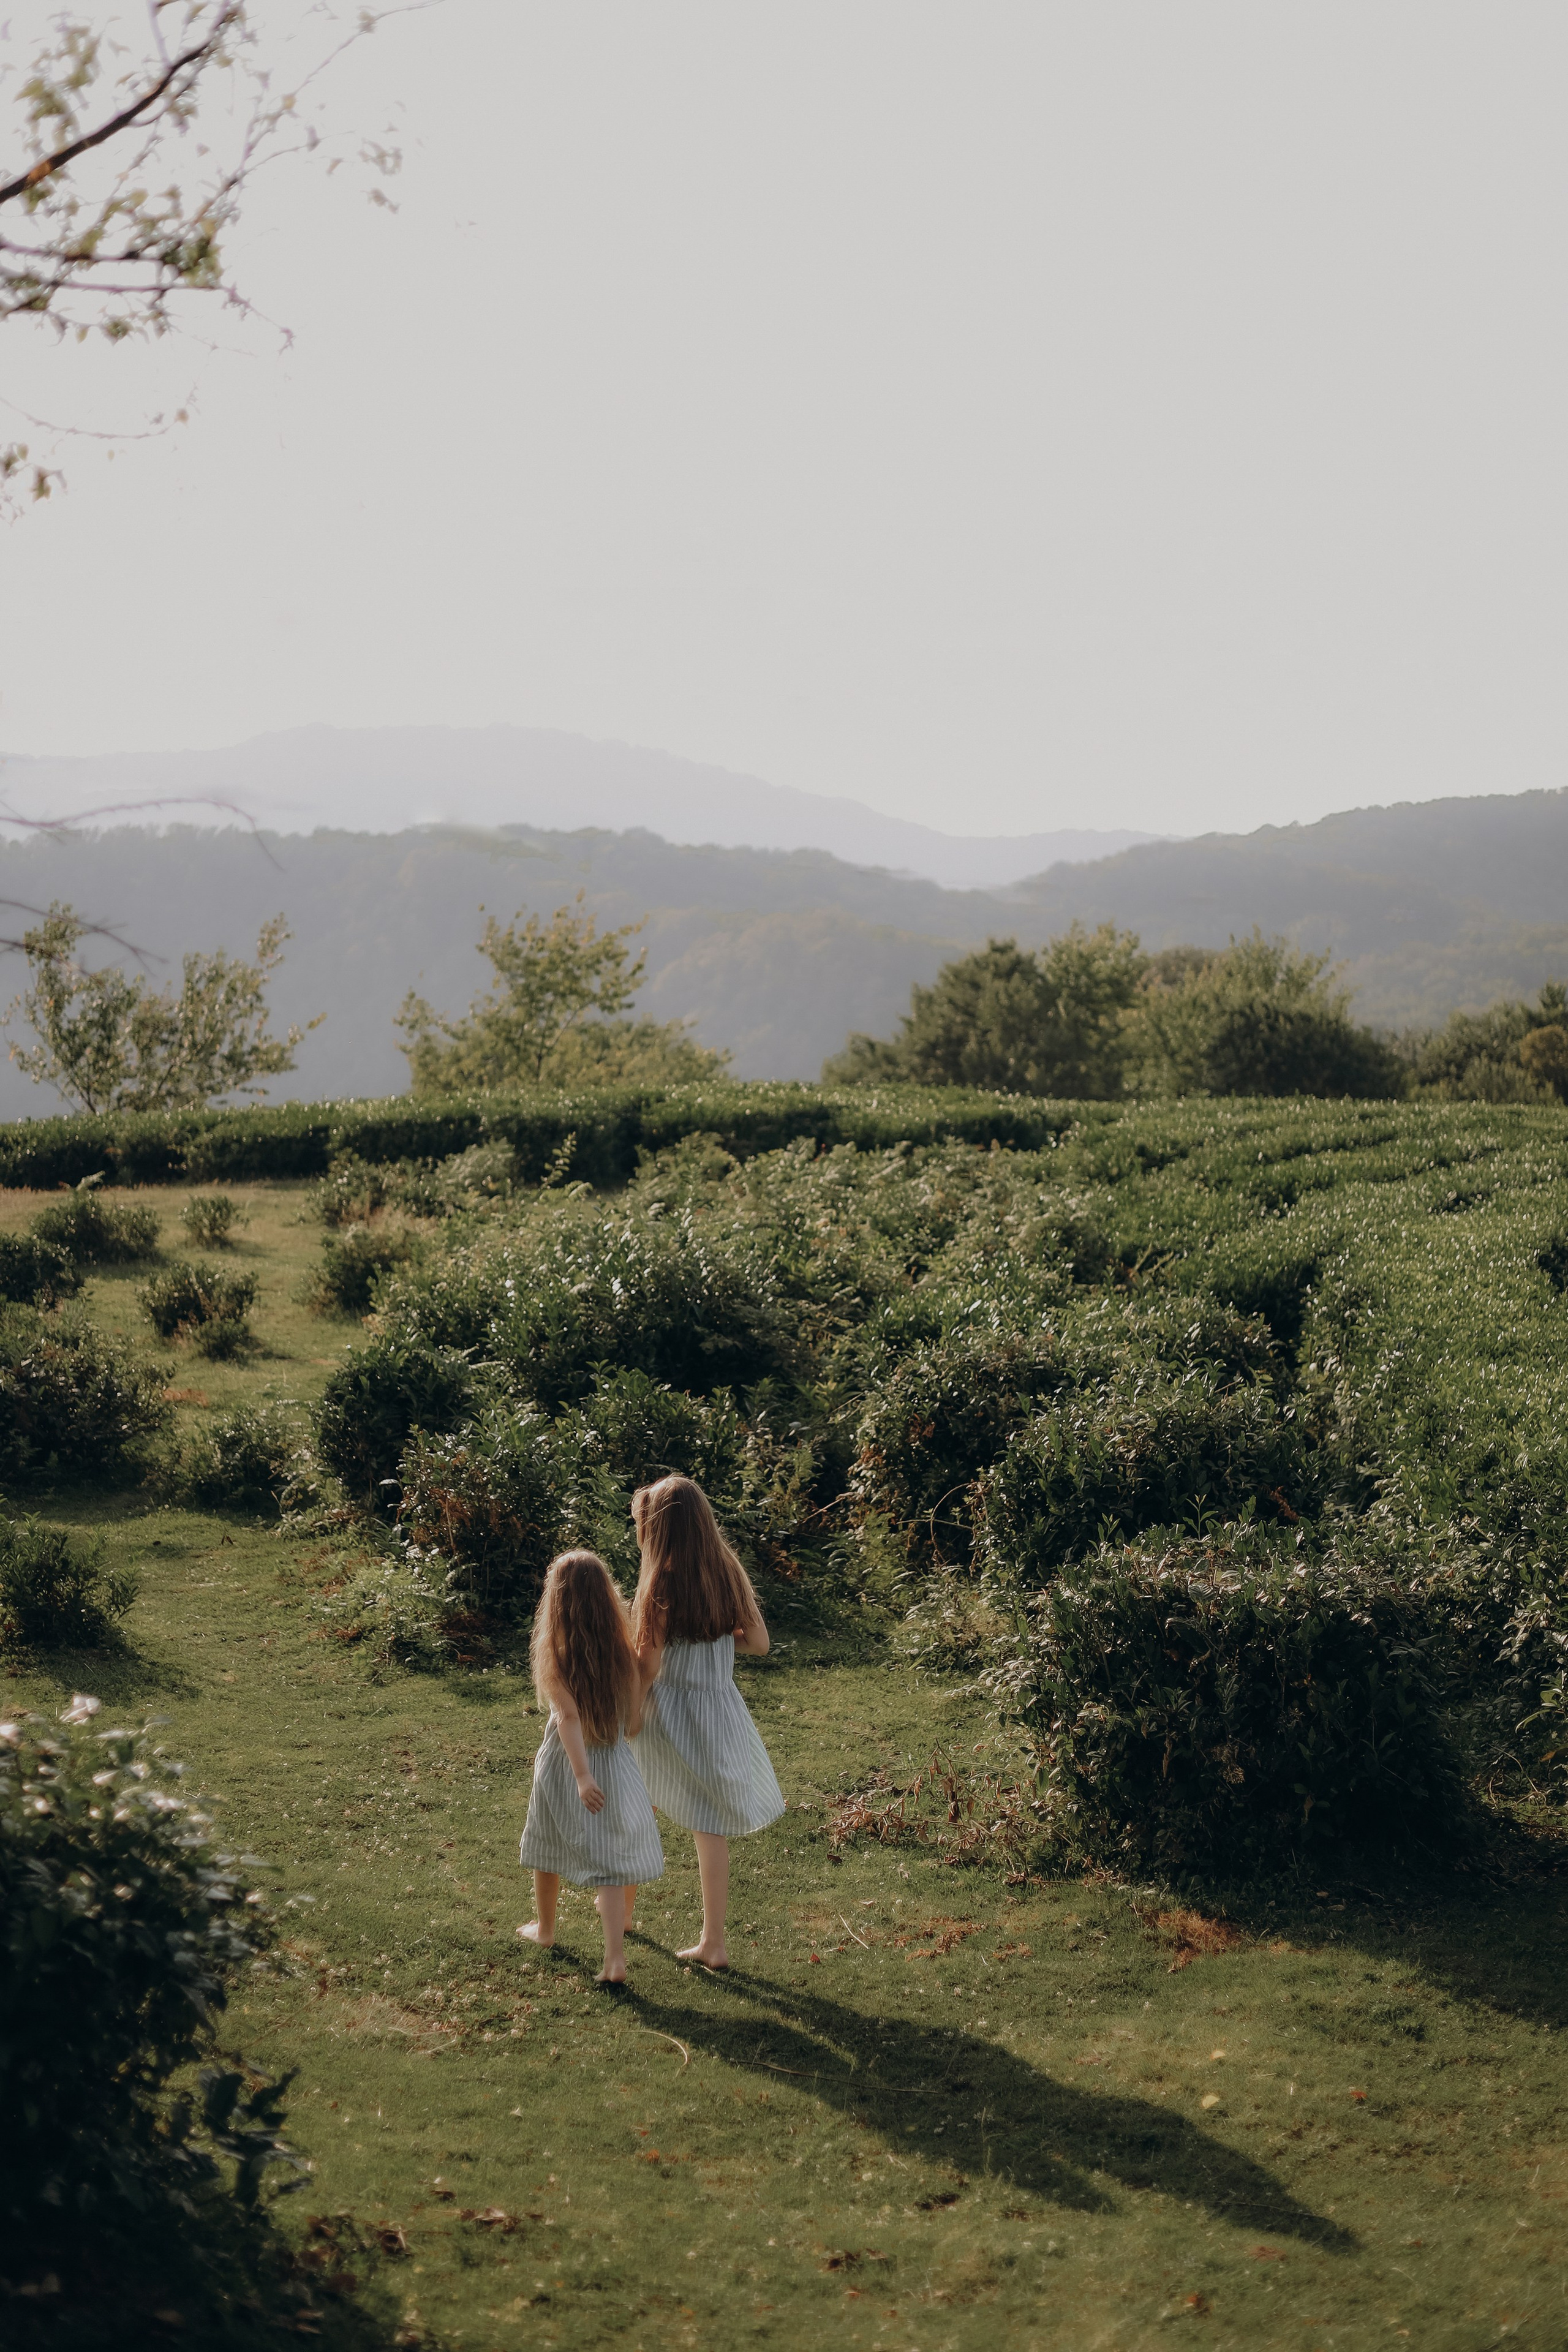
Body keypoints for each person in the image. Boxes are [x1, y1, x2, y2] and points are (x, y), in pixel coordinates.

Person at [629, 1474, 785, 1968]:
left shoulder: (661, 1582)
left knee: (639, 1798)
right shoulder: (727, 1570)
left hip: (667, 1711)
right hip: (717, 1711)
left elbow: (649, 1663)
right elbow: (759, 1643)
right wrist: (716, 1643)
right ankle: (713, 1941)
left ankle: (623, 1909)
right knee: (708, 1825)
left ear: (661, 1530)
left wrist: (631, 1708)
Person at [517, 1548, 663, 1985]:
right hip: (615, 1763)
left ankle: (545, 1929)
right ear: (607, 1598)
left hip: (566, 1765)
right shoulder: (623, 1655)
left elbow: (567, 1718)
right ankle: (615, 1957)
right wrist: (645, 1681)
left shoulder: (554, 1656)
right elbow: (634, 1725)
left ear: (556, 1602)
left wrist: (582, 1776)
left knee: (547, 1841)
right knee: (612, 1862)